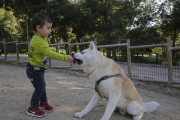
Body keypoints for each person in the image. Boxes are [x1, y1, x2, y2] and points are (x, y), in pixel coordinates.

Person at [26, 13, 74, 118]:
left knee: (42, 86)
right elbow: (51, 54)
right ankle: (33, 108)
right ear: (38, 28)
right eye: (48, 28)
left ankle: (43, 103)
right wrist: (65, 57)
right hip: (35, 69)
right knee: (39, 87)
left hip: (35, 68)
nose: (50, 31)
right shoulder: (40, 42)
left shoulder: (37, 39)